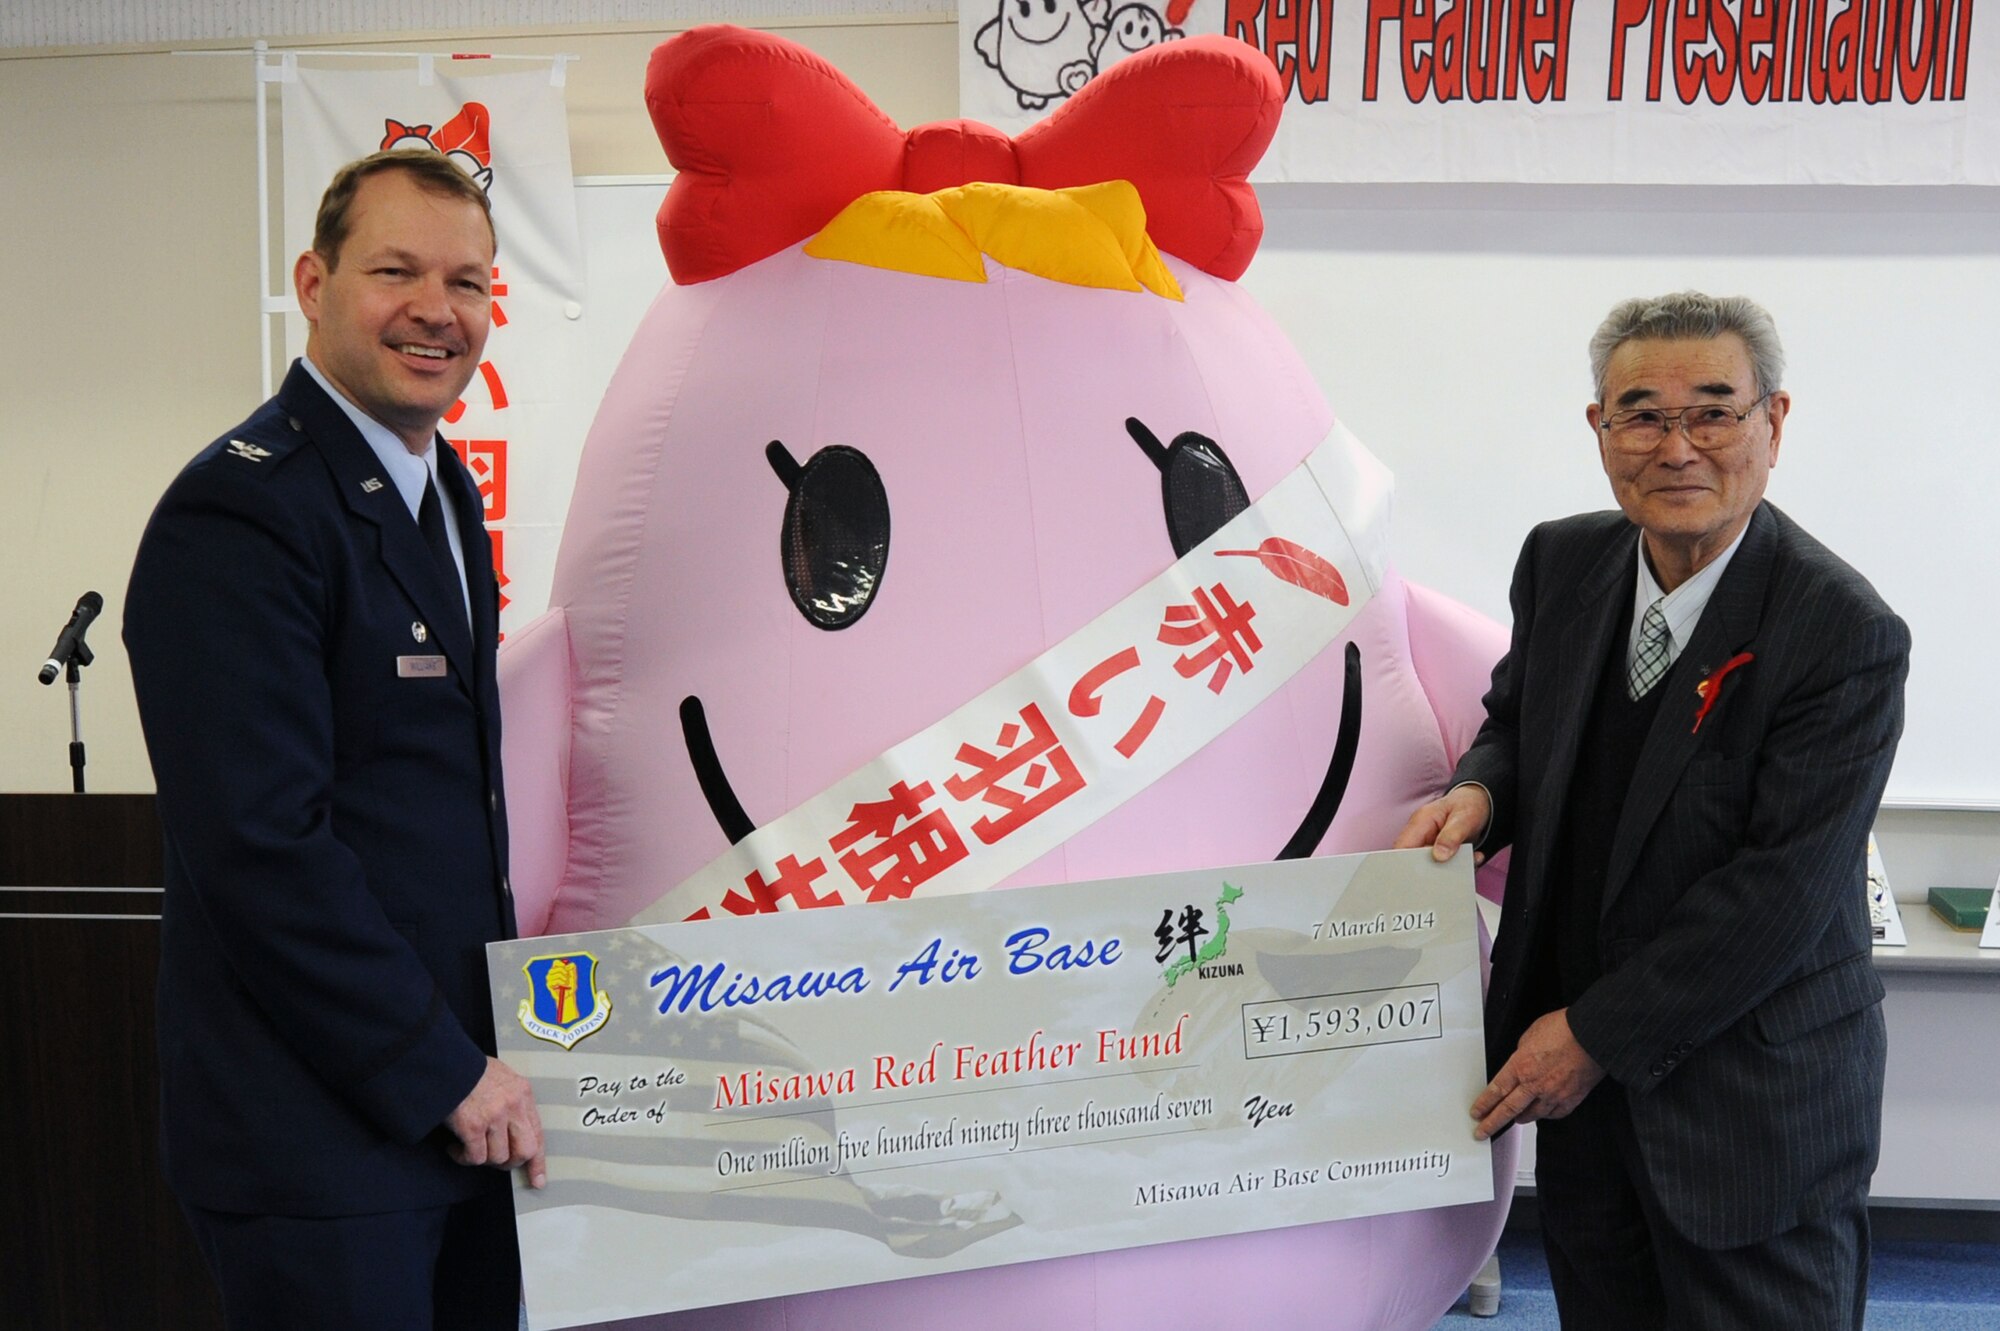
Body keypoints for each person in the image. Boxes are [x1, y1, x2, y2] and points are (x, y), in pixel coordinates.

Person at [1396, 291, 1908, 1329]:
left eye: (1712, 411)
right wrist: (1478, 793)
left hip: (1750, 1103)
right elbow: (1516, 722)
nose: (1676, 447)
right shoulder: (1563, 560)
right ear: (1598, 429)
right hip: (1585, 1097)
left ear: (1772, 422)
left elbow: (1775, 895)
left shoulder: (1839, 629)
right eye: (1641, 413)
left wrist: (1586, 1035)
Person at [124, 150, 543, 1331]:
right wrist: (440, 1067)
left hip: (459, 1102)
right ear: (314, 281)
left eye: (467, 281)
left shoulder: (441, 489)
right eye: (395, 269)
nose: (436, 307)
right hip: (319, 1134)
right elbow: (261, 846)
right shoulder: (244, 509)